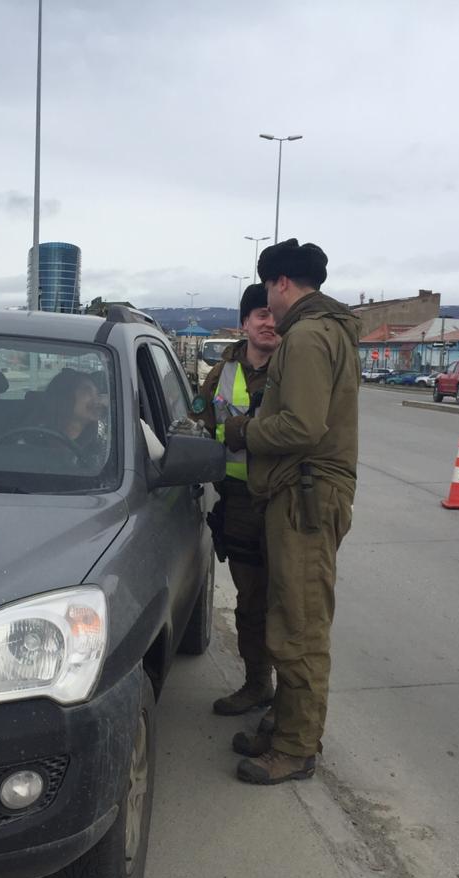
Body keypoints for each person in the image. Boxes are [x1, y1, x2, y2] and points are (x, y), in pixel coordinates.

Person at [221, 239, 361, 785]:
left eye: (269, 293)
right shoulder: (328, 330)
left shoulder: (305, 337)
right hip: (302, 494)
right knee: (288, 617)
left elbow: (301, 427)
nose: (269, 310)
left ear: (281, 283)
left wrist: (242, 431)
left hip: (305, 497)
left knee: (298, 628)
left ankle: (297, 747)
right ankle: (283, 727)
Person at [191, 284, 280, 717]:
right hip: (240, 503)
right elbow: (199, 428)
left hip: (285, 501)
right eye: (260, 314)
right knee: (250, 601)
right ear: (245, 323)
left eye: (274, 313)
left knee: (289, 604)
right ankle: (257, 684)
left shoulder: (296, 368)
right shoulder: (220, 373)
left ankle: (293, 701)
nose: (269, 322)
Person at [33, 367, 109, 468]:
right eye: (87, 391)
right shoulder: (35, 438)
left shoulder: (103, 443)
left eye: (97, 393)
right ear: (64, 397)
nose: (97, 400)